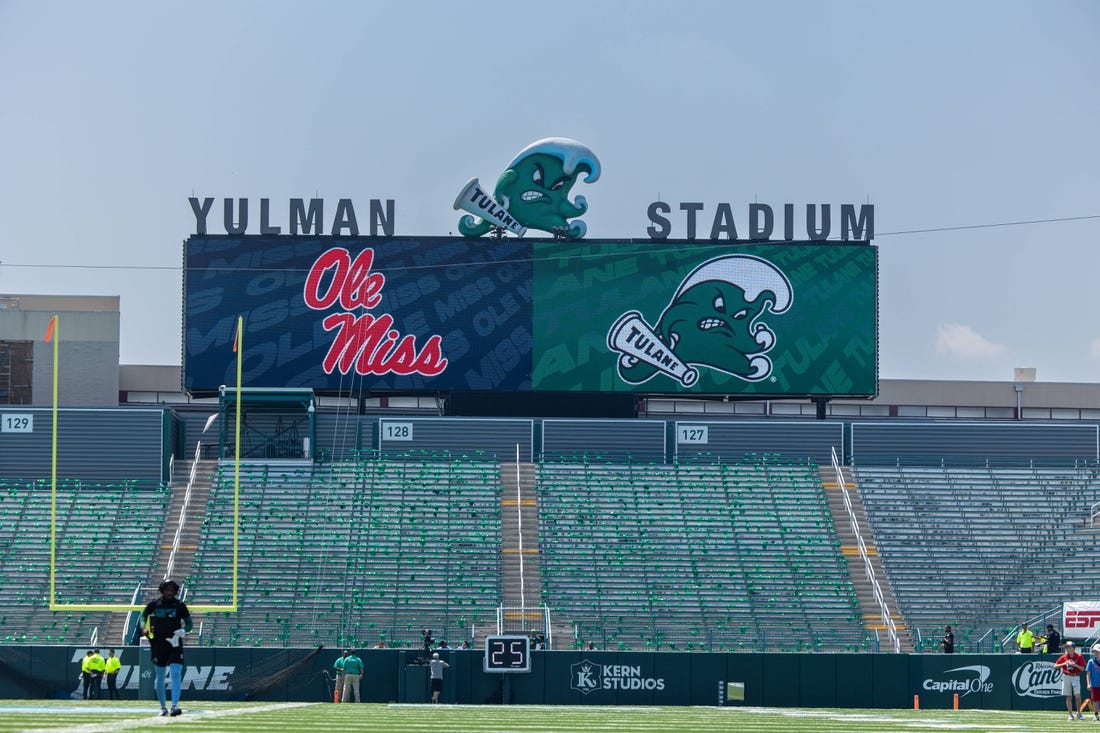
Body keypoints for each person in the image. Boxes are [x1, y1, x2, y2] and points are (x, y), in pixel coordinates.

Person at [140, 579, 193, 717]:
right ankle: (163, 707)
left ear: (175, 592)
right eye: (167, 590)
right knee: (160, 676)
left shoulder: (180, 605)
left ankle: (175, 705)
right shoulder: (154, 604)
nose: (169, 592)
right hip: (158, 643)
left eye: (172, 590)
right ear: (162, 590)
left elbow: (189, 623)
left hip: (175, 643)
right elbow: (143, 615)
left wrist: (184, 630)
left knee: (176, 673)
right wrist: (143, 627)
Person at [1055, 640, 1086, 721]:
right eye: (1066, 647)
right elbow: (1055, 666)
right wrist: (1064, 663)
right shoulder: (1064, 657)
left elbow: (1082, 669)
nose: (1067, 649)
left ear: (1073, 648)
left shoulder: (1079, 656)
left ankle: (1079, 712)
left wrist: (1075, 665)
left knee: (1078, 696)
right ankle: (1070, 714)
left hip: (1075, 676)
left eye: (1069, 647)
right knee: (1068, 696)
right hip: (1066, 676)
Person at [1086, 644, 1100, 721]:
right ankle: (1096, 715)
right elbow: (1088, 674)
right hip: (1094, 684)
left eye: (1097, 651)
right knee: (1095, 700)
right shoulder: (1091, 661)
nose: (1095, 653)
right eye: (1094, 651)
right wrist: (1088, 683)